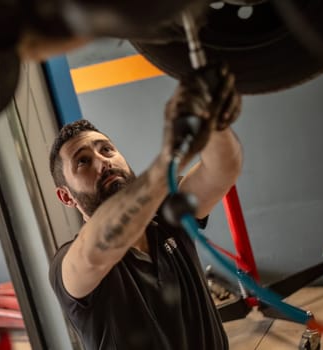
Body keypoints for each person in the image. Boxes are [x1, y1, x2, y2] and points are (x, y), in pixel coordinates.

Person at [48, 66, 242, 350]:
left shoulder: (168, 214)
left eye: (106, 149)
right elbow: (100, 246)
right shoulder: (69, 263)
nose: (103, 162)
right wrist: (172, 153)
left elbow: (223, 169)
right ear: (66, 197)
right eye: (83, 162)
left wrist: (215, 120)